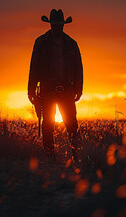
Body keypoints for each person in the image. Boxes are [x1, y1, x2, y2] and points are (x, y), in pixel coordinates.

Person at [27, 9, 83, 162]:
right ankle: (50, 157)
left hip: (66, 89)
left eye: (60, 25)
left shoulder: (71, 44)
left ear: (63, 25)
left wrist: (78, 89)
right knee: (48, 125)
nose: (58, 27)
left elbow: (78, 67)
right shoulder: (41, 43)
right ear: (51, 24)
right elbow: (34, 66)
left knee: (72, 124)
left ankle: (75, 156)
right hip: (47, 89)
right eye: (55, 24)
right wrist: (31, 90)